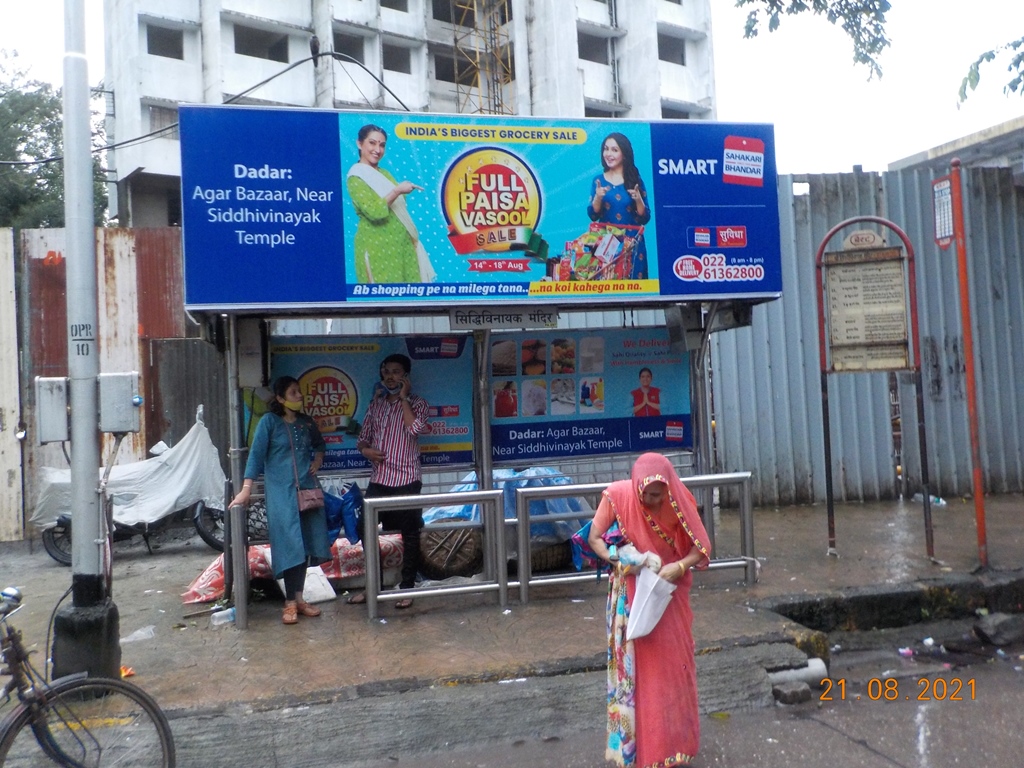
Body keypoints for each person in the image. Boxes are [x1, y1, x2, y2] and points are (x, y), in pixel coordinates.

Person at [587, 452, 710, 767]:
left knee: (674, 670)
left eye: (656, 495)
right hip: (630, 598)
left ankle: (674, 747)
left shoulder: (680, 503)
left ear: (668, 487)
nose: (649, 500)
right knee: (638, 674)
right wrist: (622, 558)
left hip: (668, 595)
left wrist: (679, 567)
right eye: (644, 493)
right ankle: (640, 752)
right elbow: (595, 537)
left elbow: (702, 549)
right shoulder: (617, 496)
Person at [229, 376, 332, 625]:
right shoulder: (269, 423)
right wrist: (245, 490)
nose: (300, 396)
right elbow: (254, 458)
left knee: (306, 543)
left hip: (307, 491)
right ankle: (289, 603)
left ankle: (299, 598)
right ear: (280, 398)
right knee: (289, 544)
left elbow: (320, 444)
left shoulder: (306, 423)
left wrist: (317, 460)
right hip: (281, 495)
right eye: (294, 392)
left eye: (300, 392)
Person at [349, 353, 430, 609]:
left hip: (407, 479)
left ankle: (407, 588)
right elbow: (362, 438)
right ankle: (373, 585)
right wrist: (366, 451)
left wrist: (404, 398)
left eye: (396, 372)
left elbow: (415, 429)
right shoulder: (377, 405)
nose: (390, 376)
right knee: (365, 528)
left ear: (406, 376)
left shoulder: (418, 403)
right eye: (386, 372)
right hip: (380, 479)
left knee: (410, 534)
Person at [346, 124, 435, 284]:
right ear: (360, 144)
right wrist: (397, 191)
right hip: (379, 249)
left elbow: (398, 209)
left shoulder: (385, 173)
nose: (377, 150)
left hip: (402, 247)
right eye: (372, 143)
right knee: (386, 302)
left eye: (382, 145)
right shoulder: (356, 177)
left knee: (411, 300)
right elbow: (375, 212)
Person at [588, 132, 651, 280]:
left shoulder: (635, 180)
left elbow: (645, 217)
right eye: (606, 149)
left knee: (635, 293)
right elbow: (593, 215)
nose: (608, 154)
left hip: (632, 247)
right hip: (606, 246)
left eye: (614, 150)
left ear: (624, 154)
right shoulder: (598, 181)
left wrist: (638, 199)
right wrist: (598, 197)